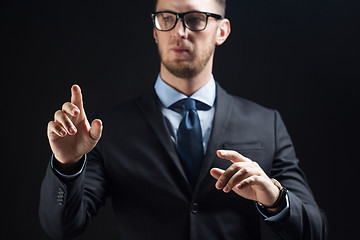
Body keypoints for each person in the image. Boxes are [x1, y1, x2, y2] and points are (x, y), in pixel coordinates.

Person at [39, 0, 328, 239]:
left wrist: (276, 199)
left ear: (222, 31)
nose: (179, 31)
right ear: (155, 30)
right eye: (167, 18)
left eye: (195, 19)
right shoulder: (108, 130)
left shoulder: (267, 124)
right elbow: (61, 229)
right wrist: (67, 166)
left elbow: (317, 232)